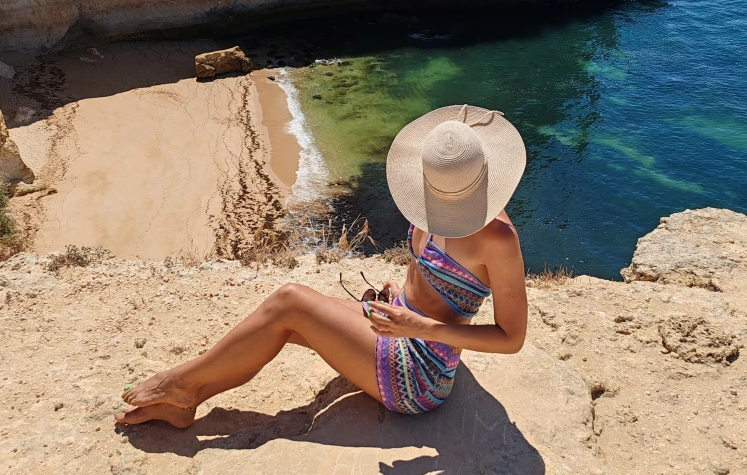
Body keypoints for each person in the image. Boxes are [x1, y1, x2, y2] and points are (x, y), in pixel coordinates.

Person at [116, 104, 528, 426]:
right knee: (282, 321)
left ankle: (180, 384)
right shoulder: (437, 190)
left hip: (422, 373)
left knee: (290, 302)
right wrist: (403, 297)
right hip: (399, 324)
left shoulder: (498, 239)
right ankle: (188, 399)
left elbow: (511, 339)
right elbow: (434, 280)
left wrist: (420, 327)